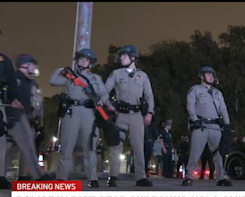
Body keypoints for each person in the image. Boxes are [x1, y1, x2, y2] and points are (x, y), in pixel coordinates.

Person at [49, 48, 108, 188]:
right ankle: (62, 179)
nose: (83, 61)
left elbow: (104, 93)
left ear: (90, 63)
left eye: (86, 59)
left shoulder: (95, 78)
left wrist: (102, 101)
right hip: (72, 111)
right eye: (81, 58)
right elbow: (52, 81)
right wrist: (61, 69)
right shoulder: (70, 76)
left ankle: (92, 178)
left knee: (90, 146)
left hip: (89, 112)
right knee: (67, 145)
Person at [105, 45, 154, 187]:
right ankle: (112, 177)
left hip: (137, 115)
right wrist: (109, 105)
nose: (121, 58)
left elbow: (149, 96)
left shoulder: (143, 76)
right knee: (116, 145)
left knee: (138, 147)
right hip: (121, 114)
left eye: (124, 55)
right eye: (121, 55)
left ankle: (141, 177)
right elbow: (104, 91)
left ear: (133, 58)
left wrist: (149, 113)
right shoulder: (116, 74)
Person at [183, 66, 232, 186]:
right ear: (201, 76)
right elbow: (190, 105)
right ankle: (189, 176)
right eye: (208, 74)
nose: (211, 77)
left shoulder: (217, 92)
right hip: (201, 125)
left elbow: (223, 109)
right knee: (195, 150)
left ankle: (221, 177)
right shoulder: (195, 90)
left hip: (215, 126)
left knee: (218, 152)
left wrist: (227, 124)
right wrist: (194, 120)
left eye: (212, 75)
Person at [7, 54, 50, 181]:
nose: (33, 67)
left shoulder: (27, 81)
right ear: (25, 65)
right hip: (15, 116)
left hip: (22, 117)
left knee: (11, 149)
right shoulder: (15, 79)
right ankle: (38, 176)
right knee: (27, 145)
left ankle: (32, 175)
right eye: (31, 64)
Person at [0, 29, 16, 188]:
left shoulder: (3, 60)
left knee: (1, 140)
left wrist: (14, 99)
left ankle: (0, 175)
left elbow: (11, 82)